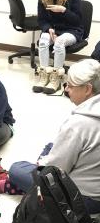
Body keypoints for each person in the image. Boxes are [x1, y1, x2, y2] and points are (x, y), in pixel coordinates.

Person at [9, 59, 100, 214]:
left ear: (87, 89)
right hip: (92, 184)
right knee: (51, 145)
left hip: (83, 198)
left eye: (70, 85)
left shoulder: (79, 124)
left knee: (17, 169)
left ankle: (29, 187)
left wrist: (41, 163)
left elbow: (56, 169)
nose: (66, 90)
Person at [33, 0, 84, 94]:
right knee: (44, 40)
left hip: (73, 30)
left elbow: (77, 20)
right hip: (54, 29)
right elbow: (42, 20)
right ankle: (44, 75)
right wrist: (48, 28)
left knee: (59, 41)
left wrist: (63, 10)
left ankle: (56, 78)